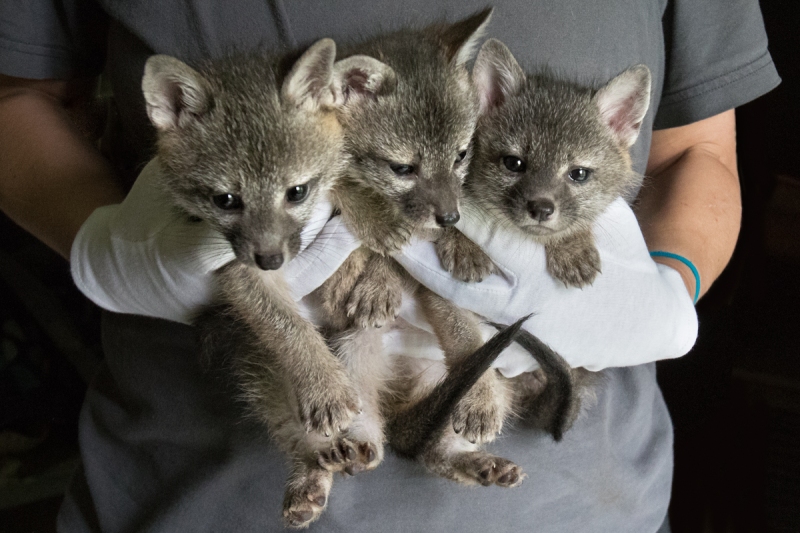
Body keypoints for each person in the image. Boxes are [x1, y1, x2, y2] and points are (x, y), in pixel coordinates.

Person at [0, 1, 779, 531]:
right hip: (192, 499)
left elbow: (698, 152)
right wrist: (104, 244)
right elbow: (16, 100)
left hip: (580, 506)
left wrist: (665, 292)